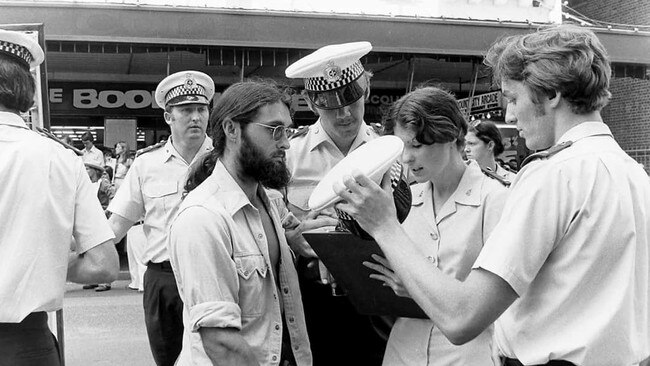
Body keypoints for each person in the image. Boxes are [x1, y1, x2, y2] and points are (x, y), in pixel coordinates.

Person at [333, 24, 650, 366]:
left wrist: (384, 225)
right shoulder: (633, 173)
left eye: (513, 98)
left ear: (553, 94)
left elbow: (462, 317)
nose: (510, 116)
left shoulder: (553, 174)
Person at [168, 80, 313, 366]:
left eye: (288, 131)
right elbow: (222, 343)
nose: (285, 143)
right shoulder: (203, 217)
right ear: (232, 129)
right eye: (274, 130)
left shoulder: (270, 202)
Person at [364, 86, 508, 365]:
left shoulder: (495, 200)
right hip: (402, 351)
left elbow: (497, 300)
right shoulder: (402, 201)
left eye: (416, 146)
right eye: (402, 147)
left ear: (452, 136)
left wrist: (418, 286)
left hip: (467, 354)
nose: (406, 158)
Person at [0, 29, 119, 365]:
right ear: (26, 90)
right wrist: (50, 266)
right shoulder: (61, 159)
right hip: (26, 345)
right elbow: (104, 264)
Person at [284, 41, 386, 365]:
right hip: (312, 298)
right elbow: (270, 226)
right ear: (313, 103)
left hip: (377, 293)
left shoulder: (392, 152)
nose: (345, 113)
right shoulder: (288, 154)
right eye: (331, 105)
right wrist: (291, 240)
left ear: (366, 89)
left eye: (352, 100)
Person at [107, 70, 215, 366]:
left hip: (216, 274)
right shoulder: (146, 164)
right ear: (168, 116)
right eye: (185, 110)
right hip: (164, 280)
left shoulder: (228, 159)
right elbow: (117, 224)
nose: (195, 117)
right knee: (168, 358)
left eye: (201, 109)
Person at [82, 162, 117, 292]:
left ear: (94, 171)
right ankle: (94, 279)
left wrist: (108, 210)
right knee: (90, 249)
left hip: (101, 218)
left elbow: (113, 195)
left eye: (87, 169)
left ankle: (105, 281)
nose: (85, 171)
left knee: (103, 248)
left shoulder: (103, 183)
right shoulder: (85, 184)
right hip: (89, 219)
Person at [464, 119, 516, 184]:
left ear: (490, 145)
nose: (466, 149)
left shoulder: (512, 181)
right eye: (465, 144)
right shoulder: (460, 179)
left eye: (471, 144)